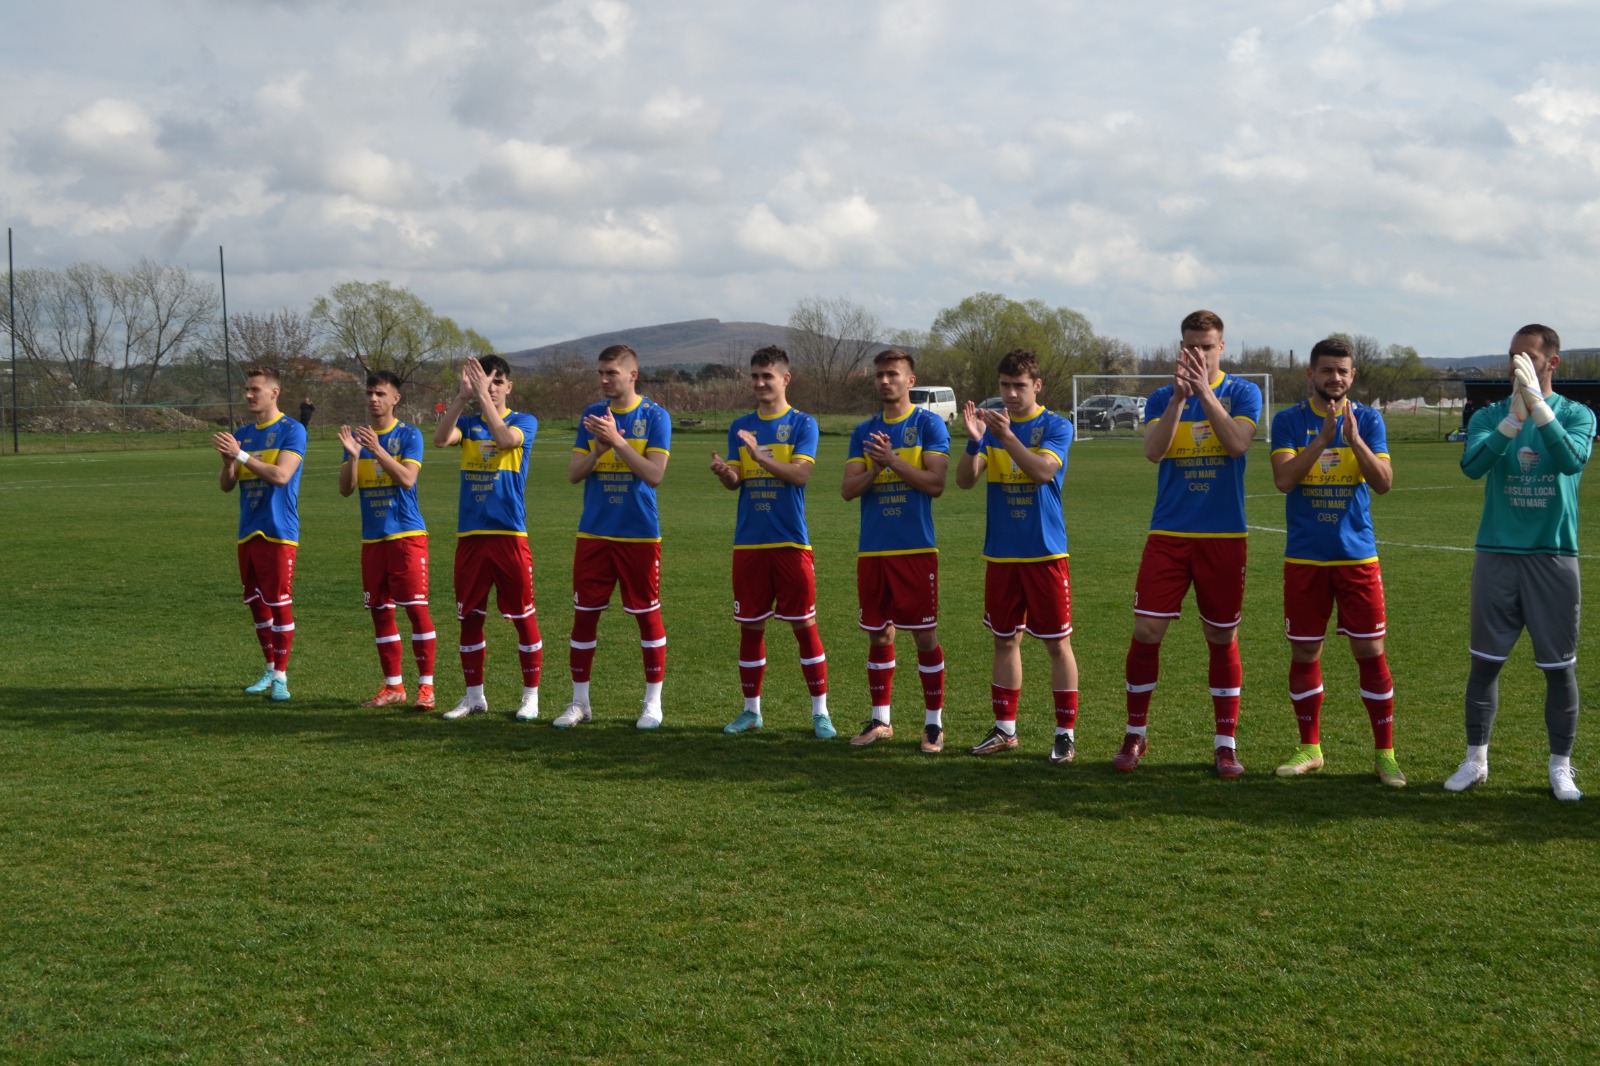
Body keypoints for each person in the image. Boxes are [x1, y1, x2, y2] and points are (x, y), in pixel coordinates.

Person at [1449, 324, 1594, 801]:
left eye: (1528, 357)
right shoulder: (1490, 415)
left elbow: (1571, 461)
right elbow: (1472, 466)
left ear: (1552, 362)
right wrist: (1513, 419)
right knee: (1484, 665)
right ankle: (1475, 760)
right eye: (1513, 356)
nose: (1518, 365)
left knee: (1559, 669)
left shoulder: (1577, 414)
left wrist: (1538, 407)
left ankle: (1560, 768)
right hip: (1497, 555)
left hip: (1553, 556)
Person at [1115, 310, 1261, 777]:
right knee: (1146, 631)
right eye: (1192, 346)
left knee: (1221, 636)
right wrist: (1180, 400)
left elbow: (1238, 443)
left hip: (1224, 536)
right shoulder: (1163, 397)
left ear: (1222, 348)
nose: (1199, 353)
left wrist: (1205, 393)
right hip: (1169, 534)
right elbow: (1152, 451)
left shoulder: (1243, 393)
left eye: (1207, 346)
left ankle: (1225, 744)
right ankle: (1135, 733)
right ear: (1181, 348)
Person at [1268, 337, 1404, 786]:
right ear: (1311, 373)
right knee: (1305, 650)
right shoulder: (1288, 420)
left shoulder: (1369, 419)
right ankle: (1310, 748)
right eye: (1327, 370)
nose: (1335, 378)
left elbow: (1383, 483)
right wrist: (1323, 441)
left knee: (1370, 650)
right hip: (1305, 558)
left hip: (1356, 557)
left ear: (1353, 376)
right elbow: (1284, 479)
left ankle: (1385, 755)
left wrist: (1354, 440)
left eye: (1343, 371)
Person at [955, 348, 1079, 763]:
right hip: (1002, 554)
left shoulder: (1056, 425)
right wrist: (976, 442)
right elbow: (965, 481)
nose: (1010, 393)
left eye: (1019, 386)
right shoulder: (991, 428)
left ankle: (1064, 734)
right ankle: (1005, 729)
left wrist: (1006, 437)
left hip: (1045, 552)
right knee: (1005, 640)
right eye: (1005, 385)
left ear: (1037, 385)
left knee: (1057, 644)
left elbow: (1042, 472)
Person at [710, 346, 834, 738]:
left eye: (767, 376)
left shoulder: (802, 424)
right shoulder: (741, 425)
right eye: (755, 376)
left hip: (790, 543)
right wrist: (724, 472)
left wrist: (759, 456)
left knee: (805, 626)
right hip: (749, 543)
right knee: (750, 628)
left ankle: (820, 714)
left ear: (785, 379)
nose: (760, 383)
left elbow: (799, 476)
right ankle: (751, 711)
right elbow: (736, 481)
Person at [554, 345, 672, 731]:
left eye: (611, 373)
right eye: (600, 373)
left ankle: (652, 704)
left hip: (639, 534)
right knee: (584, 617)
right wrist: (598, 449)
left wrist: (618, 443)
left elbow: (654, 475)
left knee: (647, 617)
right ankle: (579, 703)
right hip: (594, 533)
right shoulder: (592, 416)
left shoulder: (655, 416)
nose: (604, 380)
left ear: (632, 375)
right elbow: (574, 475)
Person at [840, 349, 951, 752]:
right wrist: (874, 469)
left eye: (893, 374)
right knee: (878, 635)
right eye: (880, 375)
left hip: (915, 548)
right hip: (873, 550)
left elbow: (935, 483)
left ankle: (933, 725)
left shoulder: (928, 425)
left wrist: (891, 461)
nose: (885, 381)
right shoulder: (864, 431)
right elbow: (848, 490)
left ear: (910, 380)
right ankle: (880, 720)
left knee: (924, 636)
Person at [433, 355, 543, 721]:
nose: (491, 387)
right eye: (485, 381)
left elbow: (505, 439)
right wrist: (462, 398)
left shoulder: (524, 421)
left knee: (523, 617)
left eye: (497, 382)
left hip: (509, 535)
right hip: (471, 537)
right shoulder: (467, 424)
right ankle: (474, 697)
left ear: (509, 386)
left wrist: (481, 396)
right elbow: (440, 439)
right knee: (469, 618)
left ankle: (530, 697)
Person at [337, 370, 437, 711]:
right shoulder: (357, 439)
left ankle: (426, 687)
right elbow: (346, 489)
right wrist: (353, 456)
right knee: (380, 612)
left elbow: (408, 479)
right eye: (369, 393)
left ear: (395, 398)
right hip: (372, 539)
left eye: (380, 393)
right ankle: (394, 686)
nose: (373, 399)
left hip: (406, 535)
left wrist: (377, 450)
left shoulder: (409, 434)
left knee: (416, 610)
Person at [212, 365, 306, 702]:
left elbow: (281, 476)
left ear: (274, 392)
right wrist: (229, 463)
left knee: (279, 603)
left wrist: (240, 454)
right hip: (248, 530)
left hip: (278, 531)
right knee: (256, 603)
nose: (248, 395)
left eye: (255, 390)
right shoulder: (243, 433)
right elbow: (227, 485)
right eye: (247, 390)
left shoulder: (292, 430)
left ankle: (281, 676)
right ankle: (269, 669)